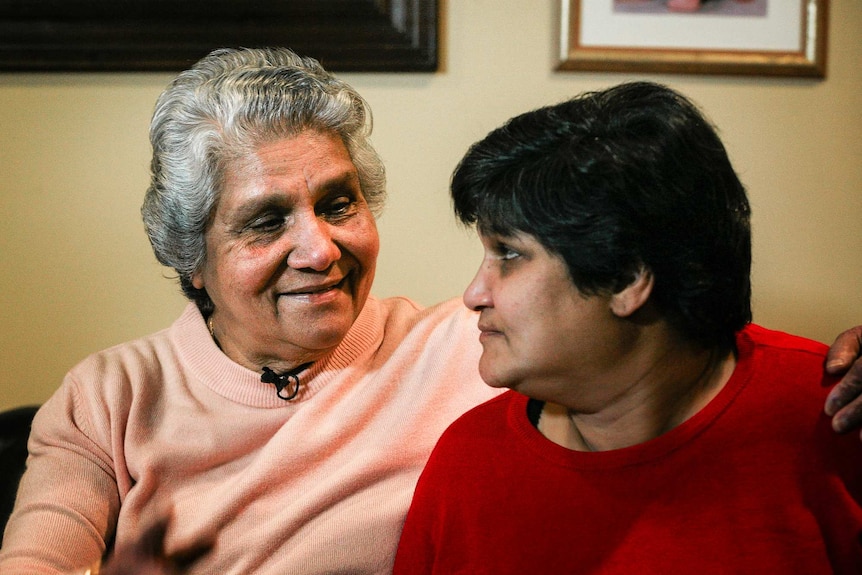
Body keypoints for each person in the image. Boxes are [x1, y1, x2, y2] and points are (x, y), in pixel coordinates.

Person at [0, 50, 859, 575]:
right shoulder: (109, 394)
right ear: (192, 253)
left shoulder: (475, 344)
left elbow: (669, 354)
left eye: (338, 204)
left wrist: (842, 362)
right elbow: (42, 555)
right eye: (268, 220)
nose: (319, 247)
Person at [393, 82, 862, 574]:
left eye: (509, 254)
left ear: (627, 277)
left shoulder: (833, 413)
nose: (474, 295)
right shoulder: (470, 462)